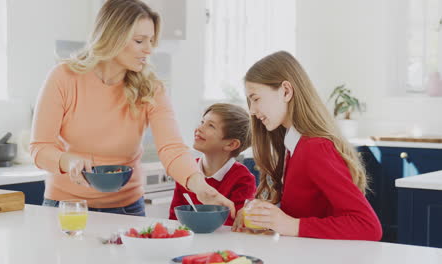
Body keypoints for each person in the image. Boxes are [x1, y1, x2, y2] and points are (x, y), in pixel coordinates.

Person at [30, 0, 234, 217]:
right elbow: (40, 147)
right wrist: (67, 161)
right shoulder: (64, 77)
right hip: (67, 208)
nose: (149, 49)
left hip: (127, 209)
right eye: (139, 41)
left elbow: (171, 148)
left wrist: (199, 185)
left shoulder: (151, 87)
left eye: (151, 41)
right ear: (113, 37)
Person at [232, 51, 382, 241]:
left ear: (286, 91)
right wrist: (263, 218)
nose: (252, 111)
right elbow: (307, 213)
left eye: (255, 99)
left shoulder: (314, 148)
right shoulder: (293, 146)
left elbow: (367, 226)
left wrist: (290, 225)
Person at [169, 103, 256, 226]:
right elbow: (174, 218)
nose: (199, 128)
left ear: (231, 144)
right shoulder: (187, 171)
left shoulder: (243, 179)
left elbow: (234, 225)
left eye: (211, 126)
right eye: (202, 122)